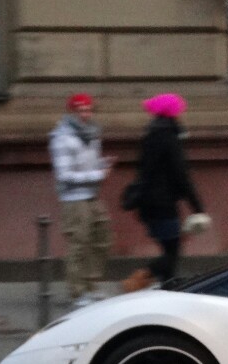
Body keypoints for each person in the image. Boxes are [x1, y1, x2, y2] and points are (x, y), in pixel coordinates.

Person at [121, 93, 211, 292]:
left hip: (149, 203)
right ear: (172, 113)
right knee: (172, 251)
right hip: (162, 203)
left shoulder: (151, 134)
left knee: (169, 248)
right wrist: (197, 208)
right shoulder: (168, 137)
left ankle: (167, 290)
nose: (182, 115)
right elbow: (181, 175)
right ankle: (138, 279)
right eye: (179, 111)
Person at [49, 93, 114, 309]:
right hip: (74, 199)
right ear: (71, 112)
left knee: (102, 238)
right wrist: (97, 175)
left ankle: (92, 285)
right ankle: (77, 292)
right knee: (79, 244)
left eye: (88, 109)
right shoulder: (62, 138)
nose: (85, 114)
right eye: (80, 110)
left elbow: (91, 163)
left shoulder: (92, 134)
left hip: (92, 196)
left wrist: (102, 165)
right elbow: (64, 176)